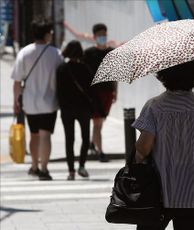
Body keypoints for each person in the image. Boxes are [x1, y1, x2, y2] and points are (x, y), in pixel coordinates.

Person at [132, 59, 194, 230]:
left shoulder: (155, 107)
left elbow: (143, 149)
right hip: (193, 191)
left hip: (158, 193)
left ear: (164, 73)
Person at [11, 17, 63, 180]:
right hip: (49, 101)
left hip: (30, 103)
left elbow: (17, 81)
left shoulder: (24, 53)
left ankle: (34, 165)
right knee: (45, 135)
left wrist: (15, 101)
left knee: (34, 135)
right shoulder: (56, 54)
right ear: (47, 34)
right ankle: (44, 169)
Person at [56, 40, 92, 180]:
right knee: (85, 138)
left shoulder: (61, 69)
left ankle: (71, 171)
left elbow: (59, 92)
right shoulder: (85, 69)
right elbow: (91, 90)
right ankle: (81, 166)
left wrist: (62, 106)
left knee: (69, 139)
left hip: (67, 109)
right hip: (83, 109)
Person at [83, 23, 117, 162]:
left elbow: (115, 73)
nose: (102, 37)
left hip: (108, 91)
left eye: (104, 34)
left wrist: (115, 91)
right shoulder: (88, 53)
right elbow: (84, 74)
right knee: (97, 123)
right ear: (94, 37)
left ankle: (92, 143)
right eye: (99, 35)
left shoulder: (111, 53)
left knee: (100, 122)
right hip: (94, 93)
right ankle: (100, 151)